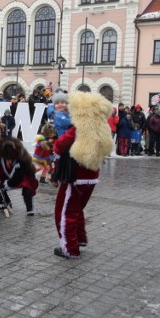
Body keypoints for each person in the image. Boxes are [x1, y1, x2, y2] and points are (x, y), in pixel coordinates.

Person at [50, 92, 112, 259]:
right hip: (92, 175)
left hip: (75, 175)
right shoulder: (102, 127)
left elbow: (60, 145)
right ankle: (79, 239)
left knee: (64, 212)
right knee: (77, 209)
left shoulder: (79, 128)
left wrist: (55, 147)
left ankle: (70, 248)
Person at [0, 136, 38, 216]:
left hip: (24, 178)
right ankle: (5, 203)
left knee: (27, 189)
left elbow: (16, 178)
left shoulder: (22, 160)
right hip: (13, 177)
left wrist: (4, 183)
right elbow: (0, 159)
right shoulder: (7, 155)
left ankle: (30, 209)